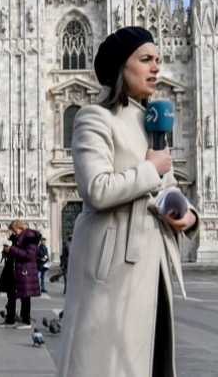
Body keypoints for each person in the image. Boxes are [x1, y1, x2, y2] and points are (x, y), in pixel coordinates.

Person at [56, 26, 199, 377]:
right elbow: (98, 189)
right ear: (122, 67)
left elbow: (167, 187)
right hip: (115, 264)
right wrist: (151, 168)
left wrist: (188, 216)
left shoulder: (152, 125)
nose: (156, 68)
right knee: (107, 363)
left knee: (151, 361)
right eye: (146, 59)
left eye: (158, 61)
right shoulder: (94, 118)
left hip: (154, 267)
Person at [0, 220, 40, 329]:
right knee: (11, 295)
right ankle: (10, 319)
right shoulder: (18, 238)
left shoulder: (29, 237)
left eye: (13, 230)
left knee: (25, 296)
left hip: (25, 271)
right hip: (15, 270)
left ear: (18, 228)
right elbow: (16, 252)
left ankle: (26, 321)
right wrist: (7, 251)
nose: (13, 233)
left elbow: (29, 255)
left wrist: (12, 249)